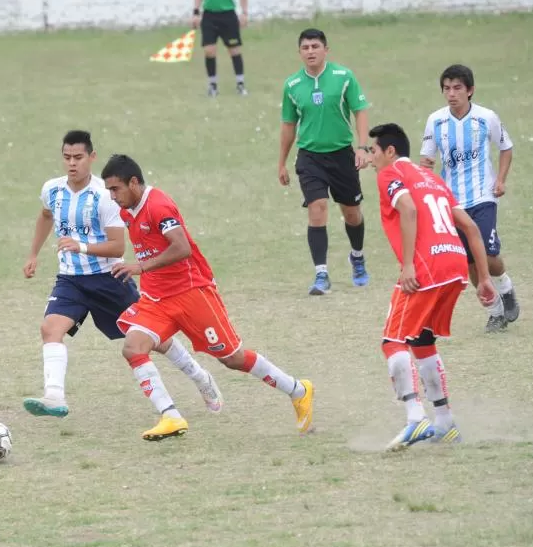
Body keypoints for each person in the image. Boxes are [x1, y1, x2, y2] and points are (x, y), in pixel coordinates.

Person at [101, 154, 314, 441]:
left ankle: (298, 391)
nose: (113, 197)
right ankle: (171, 416)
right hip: (157, 298)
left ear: (134, 182)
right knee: (133, 348)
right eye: (109, 191)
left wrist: (140, 267)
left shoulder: (158, 205)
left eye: (116, 189)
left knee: (233, 358)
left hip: (192, 293)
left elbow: (182, 248)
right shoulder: (128, 210)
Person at [23, 131, 223, 418]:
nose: (72, 163)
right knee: (50, 329)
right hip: (70, 279)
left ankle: (200, 377)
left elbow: (118, 246)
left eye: (78, 157)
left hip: (109, 279)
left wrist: (79, 246)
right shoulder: (52, 190)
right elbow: (45, 216)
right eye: (67, 157)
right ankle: (54, 396)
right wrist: (32, 255)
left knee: (157, 340)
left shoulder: (106, 196)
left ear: (91, 158)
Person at [368, 123, 498, 451]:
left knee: (393, 341)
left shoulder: (389, 174)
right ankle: (446, 422)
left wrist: (409, 264)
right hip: (454, 266)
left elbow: (408, 209)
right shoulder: (433, 178)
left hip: (426, 267)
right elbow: (468, 226)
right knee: (422, 339)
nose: (370, 159)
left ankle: (415, 418)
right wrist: (483, 278)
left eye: (372, 151)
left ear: (390, 151)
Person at [419, 64, 520, 332]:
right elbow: (426, 159)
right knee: (468, 262)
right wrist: (425, 170)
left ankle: (505, 286)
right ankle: (496, 312)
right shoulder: (435, 121)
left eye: (457, 88)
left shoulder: (487, 117)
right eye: (447, 88)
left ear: (470, 90)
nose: (451, 94)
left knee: (487, 253)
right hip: (451, 202)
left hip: (483, 196)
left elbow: (506, 148)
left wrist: (500, 180)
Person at [278, 28, 371, 295]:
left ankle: (357, 256)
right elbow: (288, 125)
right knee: (317, 208)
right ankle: (321, 274)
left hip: (342, 155)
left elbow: (360, 111)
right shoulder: (292, 85)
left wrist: (362, 147)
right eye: (305, 47)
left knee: (351, 213)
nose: (310, 51)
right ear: (299, 52)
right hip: (309, 157)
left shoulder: (344, 77)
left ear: (325, 50)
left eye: (315, 46)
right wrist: (281, 163)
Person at [192, 0, 249, 97]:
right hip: (209, 16)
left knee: (234, 50)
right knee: (209, 50)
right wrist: (196, 13)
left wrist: (244, 13)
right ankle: (212, 86)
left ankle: (240, 84)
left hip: (228, 15)